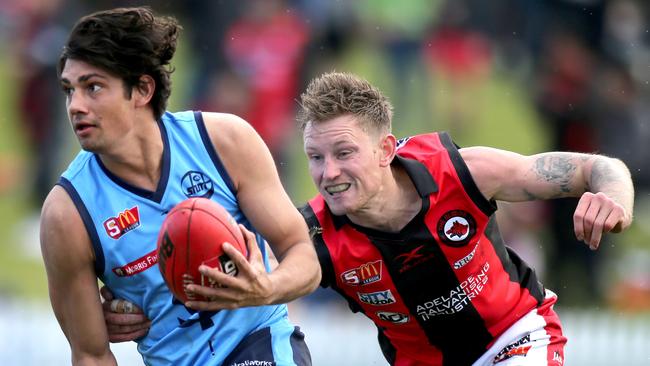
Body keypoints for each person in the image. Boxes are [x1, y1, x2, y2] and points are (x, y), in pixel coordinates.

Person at [104, 72, 634, 365]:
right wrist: (136, 306)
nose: (328, 173)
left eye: (344, 153)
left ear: (385, 149)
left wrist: (614, 195)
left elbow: (597, 167)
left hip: (516, 339)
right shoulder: (311, 231)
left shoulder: (459, 171)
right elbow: (245, 276)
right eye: (315, 157)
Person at [39, 7, 320, 366]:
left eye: (93, 87)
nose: (75, 106)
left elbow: (304, 257)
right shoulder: (67, 214)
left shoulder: (223, 141)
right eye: (69, 90)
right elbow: (91, 355)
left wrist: (264, 289)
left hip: (260, 344)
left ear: (142, 90)